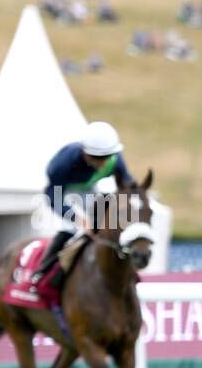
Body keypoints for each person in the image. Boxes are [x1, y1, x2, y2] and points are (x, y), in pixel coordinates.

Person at [33, 121, 134, 292]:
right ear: (85, 153)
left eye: (106, 157)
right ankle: (43, 271)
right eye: (97, 158)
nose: (103, 163)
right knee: (70, 227)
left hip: (90, 188)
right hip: (64, 192)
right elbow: (52, 196)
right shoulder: (63, 163)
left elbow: (128, 185)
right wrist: (77, 218)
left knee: (106, 220)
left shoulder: (115, 160)